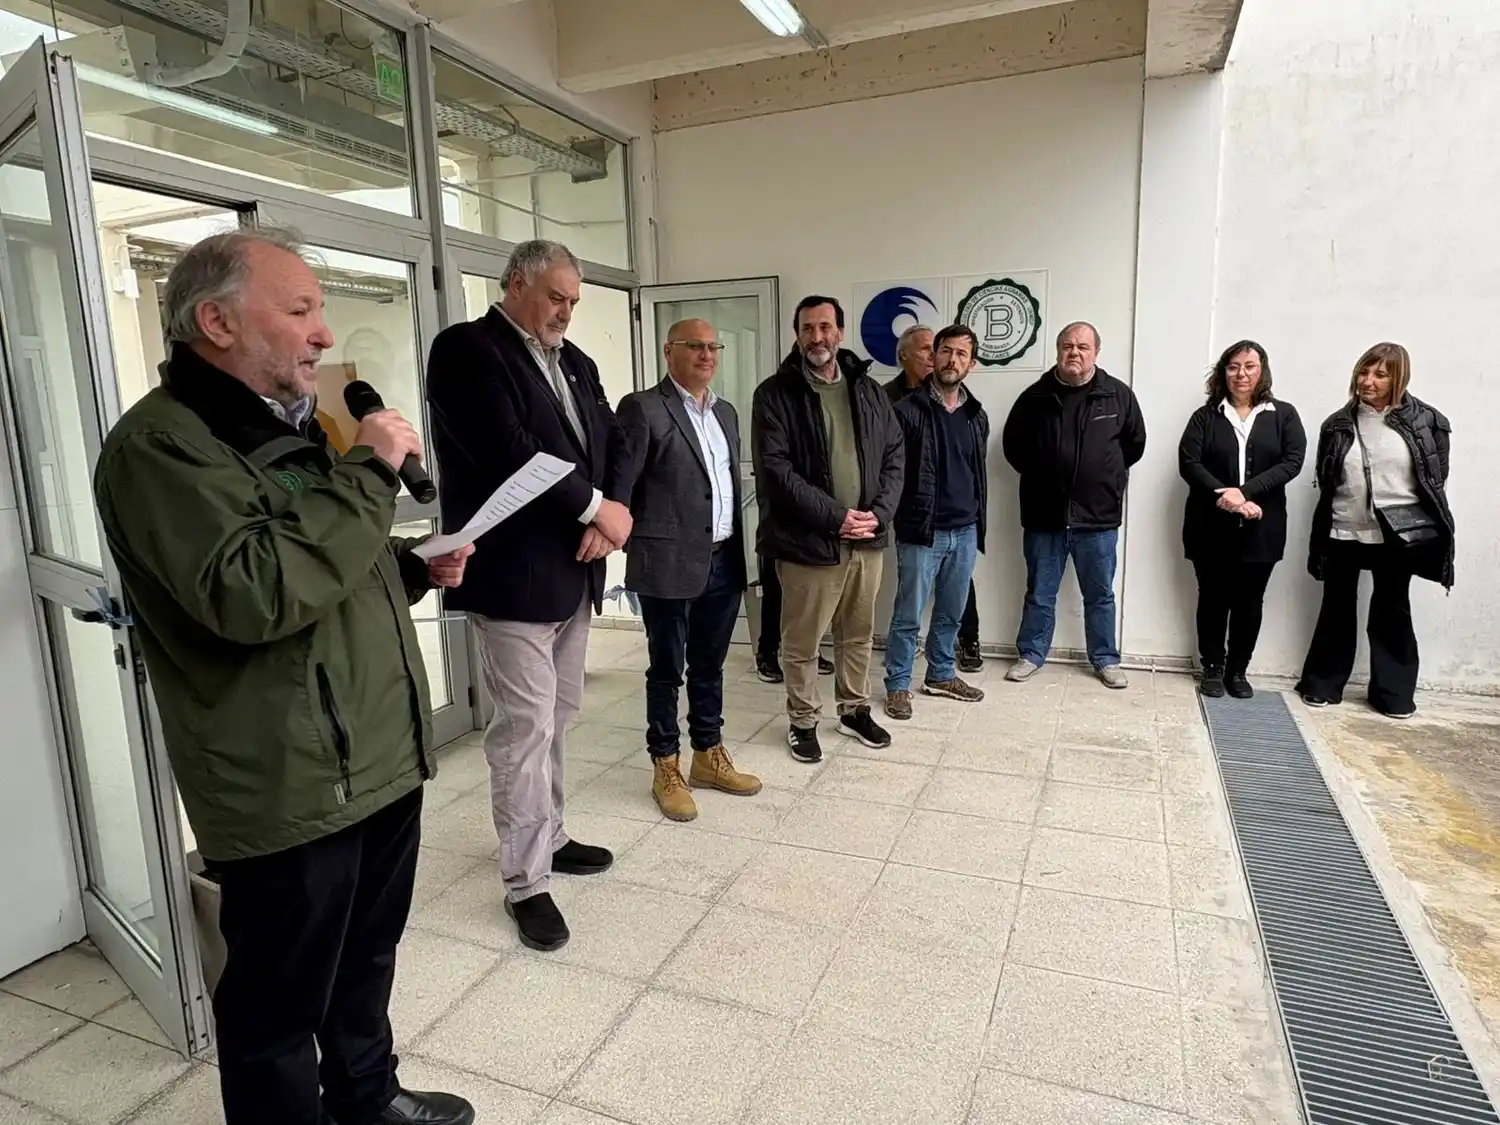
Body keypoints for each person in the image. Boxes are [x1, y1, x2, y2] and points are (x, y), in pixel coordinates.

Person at [92, 228, 475, 1125]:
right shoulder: (162, 448)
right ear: (217, 322)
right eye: (300, 309)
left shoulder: (288, 429)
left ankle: (366, 1095)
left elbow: (317, 567)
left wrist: (412, 568)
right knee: (275, 1008)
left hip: (375, 757)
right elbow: (253, 591)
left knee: (366, 957)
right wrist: (370, 472)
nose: (321, 333)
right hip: (286, 785)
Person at [426, 240, 629, 953]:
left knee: (559, 716)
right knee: (524, 729)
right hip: (512, 574)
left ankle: (554, 834)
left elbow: (610, 441)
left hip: (574, 568)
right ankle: (525, 882)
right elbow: (510, 448)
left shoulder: (575, 362)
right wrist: (597, 508)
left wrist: (614, 514)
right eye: (555, 296)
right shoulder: (466, 351)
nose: (566, 312)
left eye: (574, 301)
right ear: (515, 283)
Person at [616, 318, 761, 822]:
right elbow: (622, 487)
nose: (706, 355)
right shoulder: (643, 408)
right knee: (665, 670)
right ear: (668, 352)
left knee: (709, 666)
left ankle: (708, 754)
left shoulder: (726, 412)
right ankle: (665, 765)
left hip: (722, 558)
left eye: (712, 346)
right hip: (667, 563)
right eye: (693, 346)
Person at [752, 295, 905, 762]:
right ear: (797, 334)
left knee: (857, 634)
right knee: (802, 640)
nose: (816, 337)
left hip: (868, 539)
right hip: (808, 541)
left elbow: (895, 455)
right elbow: (775, 471)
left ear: (840, 332)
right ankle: (802, 720)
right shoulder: (775, 394)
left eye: (825, 327)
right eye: (806, 329)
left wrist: (879, 513)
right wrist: (836, 517)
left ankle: (854, 708)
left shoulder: (869, 389)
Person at [1296, 342, 1454, 718]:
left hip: (1398, 533)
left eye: (1380, 374)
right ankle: (1322, 684)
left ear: (1399, 378)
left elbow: (1435, 478)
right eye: (1364, 372)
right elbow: (1327, 477)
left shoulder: (1428, 422)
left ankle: (1393, 694)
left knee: (1392, 608)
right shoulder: (1337, 424)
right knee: (1336, 607)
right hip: (1343, 526)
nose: (1368, 381)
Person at [1001, 321, 1146, 688]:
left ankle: (1105, 659)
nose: (1074, 352)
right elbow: (1013, 449)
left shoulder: (1118, 396)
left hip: (1097, 518)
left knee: (1100, 595)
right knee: (1039, 593)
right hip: (1044, 517)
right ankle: (1031, 654)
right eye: (1067, 345)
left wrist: (1104, 478)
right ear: (1057, 350)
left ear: (1096, 351)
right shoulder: (1034, 397)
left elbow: (1134, 446)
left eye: (1082, 346)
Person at [1178, 340, 1306, 698]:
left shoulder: (1283, 415)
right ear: (1223, 372)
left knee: (1250, 600)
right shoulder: (1205, 417)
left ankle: (1238, 671)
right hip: (1210, 526)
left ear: (1262, 370)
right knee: (1213, 597)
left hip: (1263, 527)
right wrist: (1230, 499)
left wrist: (1245, 492)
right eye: (1233, 366)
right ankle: (1213, 668)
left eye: (1249, 366)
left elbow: (1292, 462)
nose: (1241, 374)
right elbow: (1190, 463)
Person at [883, 325, 989, 720]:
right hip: (921, 531)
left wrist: (978, 521)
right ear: (934, 357)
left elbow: (976, 472)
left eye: (962, 354)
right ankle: (897, 684)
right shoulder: (906, 411)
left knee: (951, 611)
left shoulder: (977, 415)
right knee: (908, 614)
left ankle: (941, 675)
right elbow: (890, 472)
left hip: (965, 530)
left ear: (971, 364)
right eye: (945, 351)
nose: (951, 360)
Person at [883, 324, 934, 403]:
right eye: (925, 348)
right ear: (903, 355)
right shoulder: (883, 396)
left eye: (935, 349)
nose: (933, 355)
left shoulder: (947, 395)